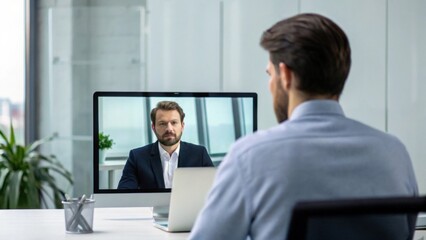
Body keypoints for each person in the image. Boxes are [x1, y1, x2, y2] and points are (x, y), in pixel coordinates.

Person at [189, 13, 418, 239]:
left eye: (270, 74)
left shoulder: (250, 157)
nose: (270, 85)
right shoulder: (394, 152)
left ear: (286, 76)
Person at [118, 101, 213, 189]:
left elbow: (214, 189)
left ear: (182, 126)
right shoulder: (137, 156)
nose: (169, 129)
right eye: (162, 123)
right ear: (153, 127)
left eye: (174, 122)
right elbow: (124, 193)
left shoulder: (200, 154)